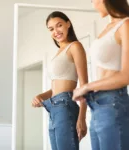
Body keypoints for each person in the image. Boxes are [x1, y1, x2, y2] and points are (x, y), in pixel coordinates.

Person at [73, 0, 129, 150]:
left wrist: (86, 87)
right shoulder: (107, 28)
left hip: (113, 102)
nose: (93, 5)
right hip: (97, 104)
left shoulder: (126, 25)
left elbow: (126, 75)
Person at [32, 11, 88, 150]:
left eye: (59, 25)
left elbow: (84, 85)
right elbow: (58, 87)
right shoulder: (58, 52)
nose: (56, 31)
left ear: (68, 24)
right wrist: (41, 96)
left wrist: (82, 118)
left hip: (65, 105)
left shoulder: (75, 46)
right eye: (51, 29)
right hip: (53, 108)